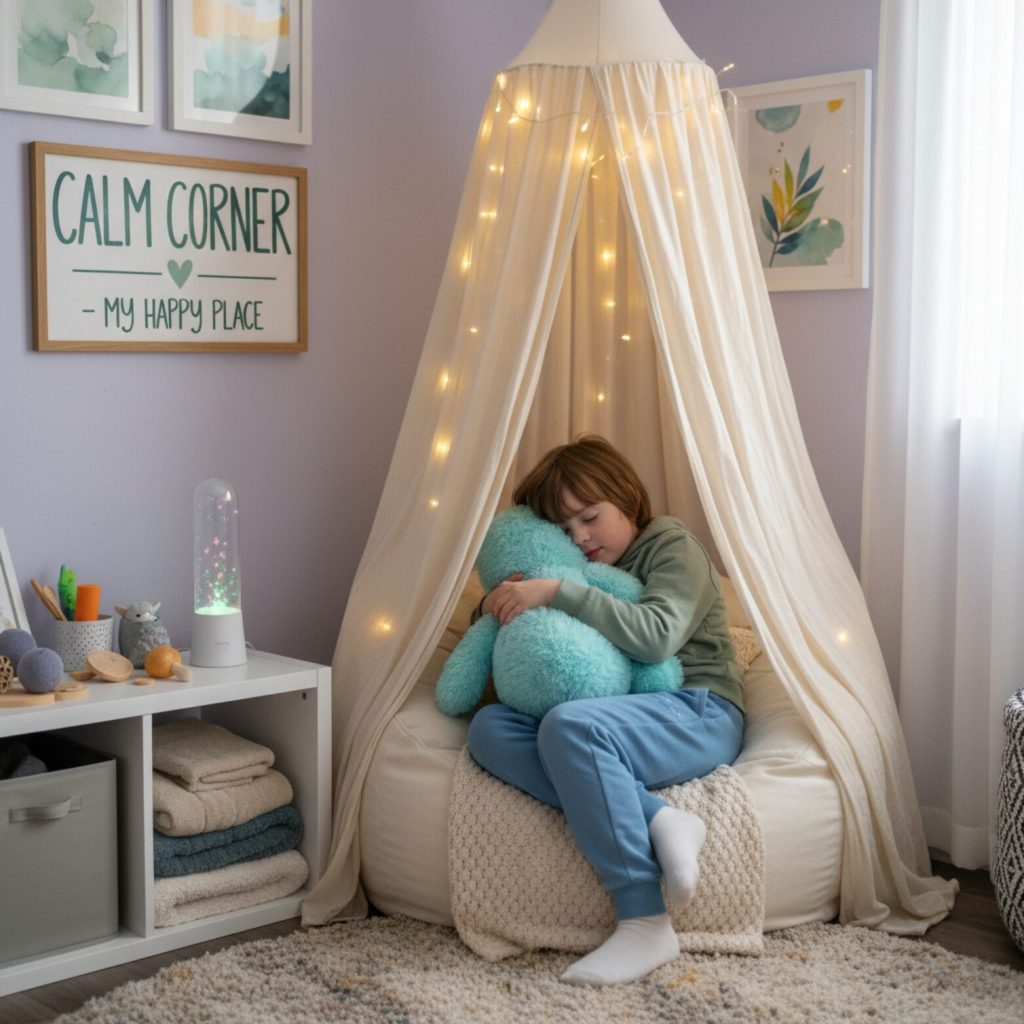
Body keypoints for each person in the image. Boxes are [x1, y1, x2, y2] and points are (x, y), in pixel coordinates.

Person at [466, 435, 744, 986]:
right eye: (565, 532)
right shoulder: (572, 565)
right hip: (622, 715)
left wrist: (558, 591)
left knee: (569, 726)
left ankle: (644, 918)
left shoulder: (671, 544)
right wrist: (498, 602)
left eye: (591, 517)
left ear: (627, 497)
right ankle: (658, 816)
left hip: (698, 710)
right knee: (490, 727)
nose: (582, 538)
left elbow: (657, 638)